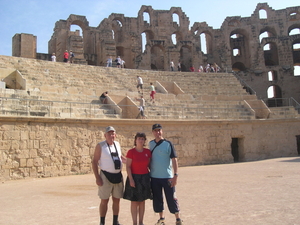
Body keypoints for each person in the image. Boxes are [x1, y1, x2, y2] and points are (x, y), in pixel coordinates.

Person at [149, 124, 183, 225]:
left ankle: (178, 219)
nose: (157, 132)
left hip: (167, 177)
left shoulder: (168, 144)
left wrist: (175, 175)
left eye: (159, 130)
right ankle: (162, 218)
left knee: (172, 198)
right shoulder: (150, 144)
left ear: (162, 131)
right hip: (154, 177)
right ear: (152, 132)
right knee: (158, 199)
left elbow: (174, 159)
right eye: (155, 131)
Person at [92, 126, 125, 225]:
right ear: (105, 135)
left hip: (118, 176)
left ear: (115, 135)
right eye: (109, 134)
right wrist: (97, 177)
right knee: (104, 200)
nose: (111, 135)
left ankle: (115, 221)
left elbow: (121, 157)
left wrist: (132, 162)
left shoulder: (117, 144)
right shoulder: (100, 146)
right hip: (105, 176)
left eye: (113, 133)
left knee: (117, 200)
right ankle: (102, 222)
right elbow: (94, 161)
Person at [123, 132, 152, 225]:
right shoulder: (131, 152)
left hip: (144, 178)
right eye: (139, 138)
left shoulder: (148, 152)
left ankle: (141, 222)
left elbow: (150, 165)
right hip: (134, 178)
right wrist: (131, 179)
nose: (141, 140)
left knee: (142, 201)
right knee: (134, 202)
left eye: (142, 139)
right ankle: (134, 223)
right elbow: (128, 167)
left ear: (144, 141)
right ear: (135, 140)